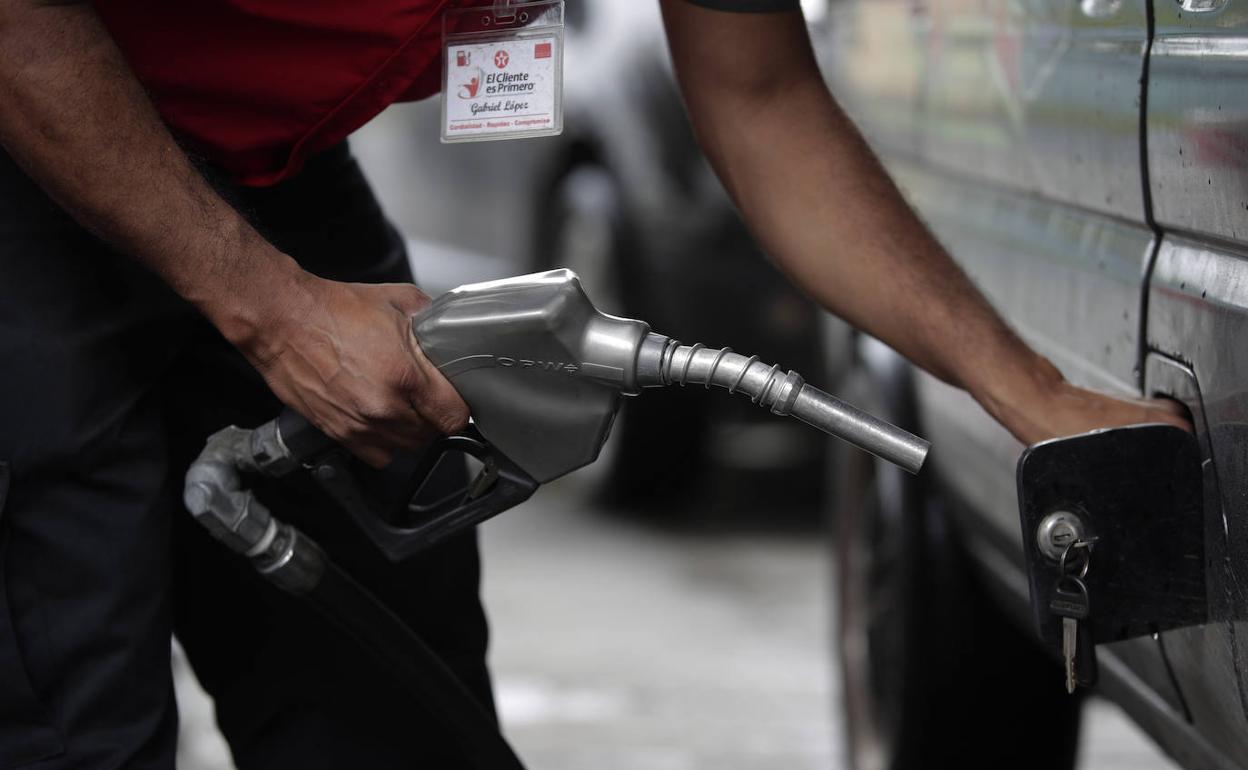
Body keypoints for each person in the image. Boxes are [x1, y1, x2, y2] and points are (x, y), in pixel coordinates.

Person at [0, 0, 1187, 767]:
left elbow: (763, 98)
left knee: (396, 721)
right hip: (27, 127)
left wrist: (1032, 395)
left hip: (267, 163)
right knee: (66, 709)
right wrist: (268, 306)